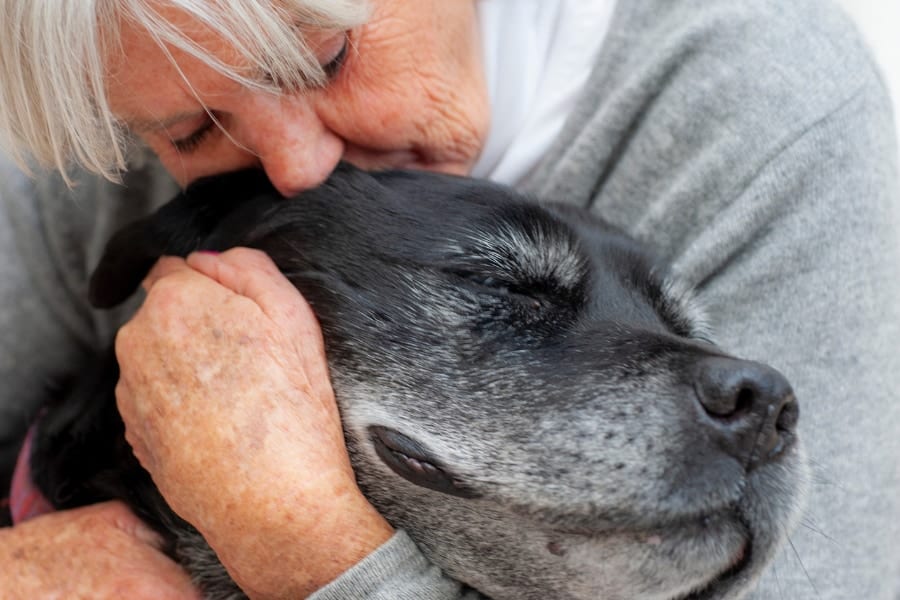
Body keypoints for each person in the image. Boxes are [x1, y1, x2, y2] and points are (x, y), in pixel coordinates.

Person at [1, 0, 898, 598]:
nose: (299, 166)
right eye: (195, 131)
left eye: (329, 57)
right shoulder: (106, 95)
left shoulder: (774, 116)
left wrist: (294, 539)